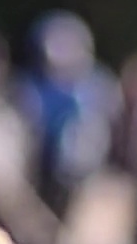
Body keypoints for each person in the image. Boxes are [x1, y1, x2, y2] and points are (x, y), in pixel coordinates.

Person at [16, 10, 123, 208]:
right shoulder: (37, 85)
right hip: (41, 157)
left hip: (77, 165)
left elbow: (110, 111)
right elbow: (28, 112)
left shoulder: (94, 85)